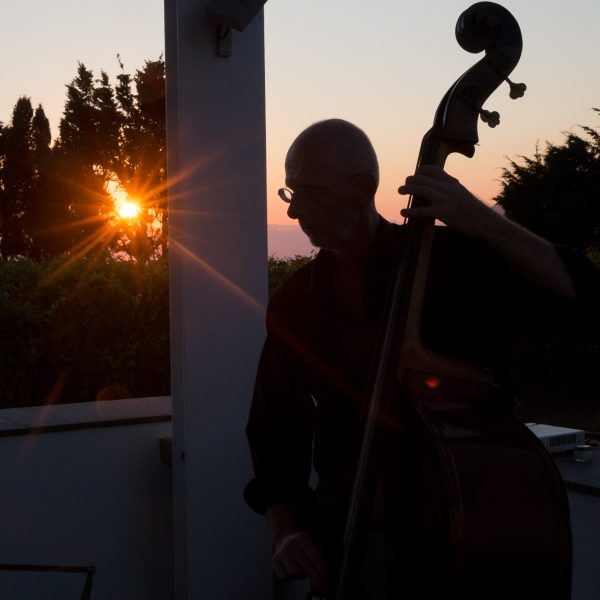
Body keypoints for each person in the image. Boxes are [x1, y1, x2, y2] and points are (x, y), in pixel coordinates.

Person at [243, 119, 585, 597]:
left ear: (363, 188)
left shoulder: (453, 267)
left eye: (311, 192)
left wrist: (481, 220)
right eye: (290, 191)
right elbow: (275, 429)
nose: (295, 209)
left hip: (466, 545)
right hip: (348, 541)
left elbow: (581, 294)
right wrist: (287, 528)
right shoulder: (296, 304)